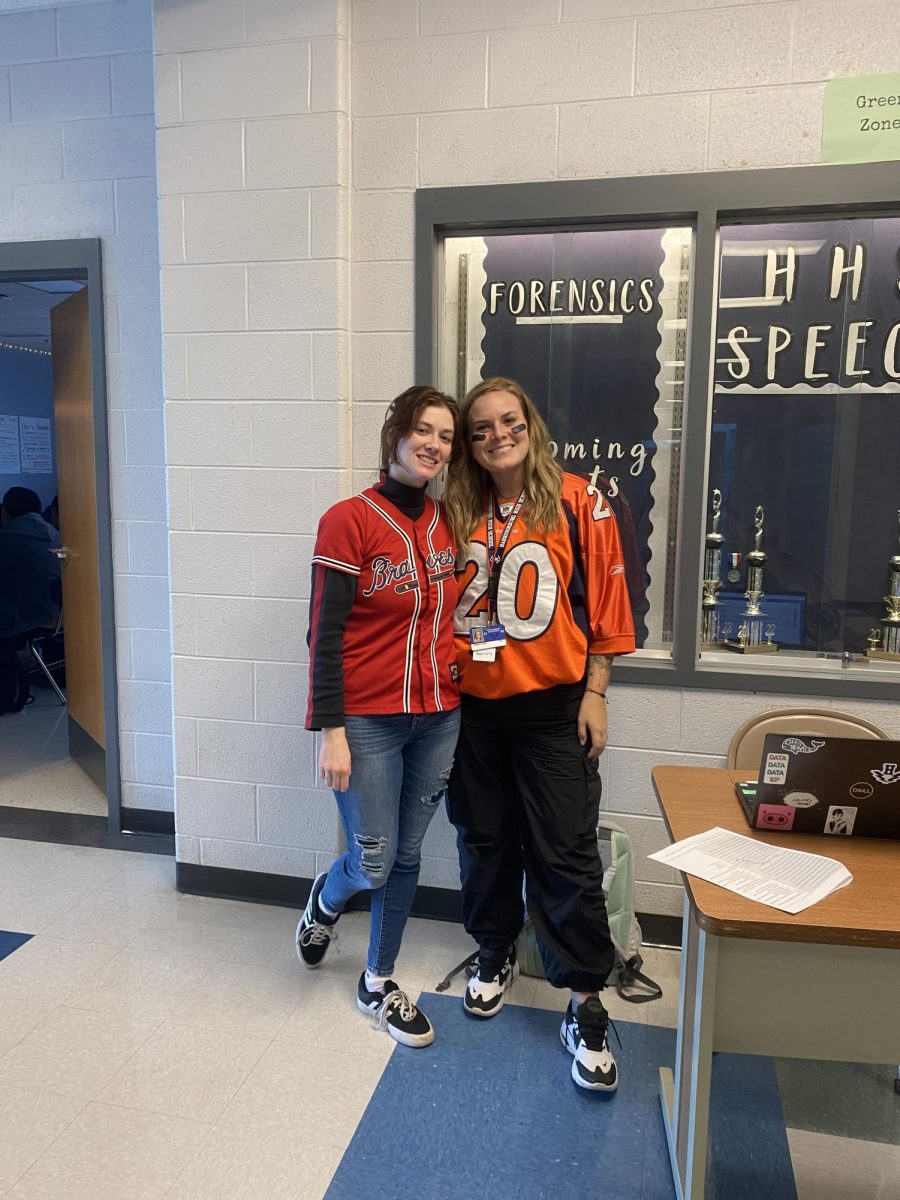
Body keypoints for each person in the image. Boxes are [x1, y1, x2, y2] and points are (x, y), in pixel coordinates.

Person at [443, 376, 636, 1092]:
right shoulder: (454, 509)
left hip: (554, 705)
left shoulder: (580, 500)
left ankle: (585, 999)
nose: (497, 435)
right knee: (485, 839)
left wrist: (597, 693)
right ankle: (494, 951)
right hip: (472, 712)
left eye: (508, 420)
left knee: (565, 852)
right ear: (468, 443)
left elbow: (611, 609)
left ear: (531, 424)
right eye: (480, 428)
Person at [297, 385, 462, 1048]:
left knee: (409, 854)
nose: (434, 444)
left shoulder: (447, 521)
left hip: (439, 716)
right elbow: (323, 632)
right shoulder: (349, 520)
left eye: (445, 436)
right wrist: (330, 730)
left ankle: (377, 979)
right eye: (423, 429)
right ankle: (326, 899)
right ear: (395, 434)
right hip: (367, 720)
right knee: (372, 860)